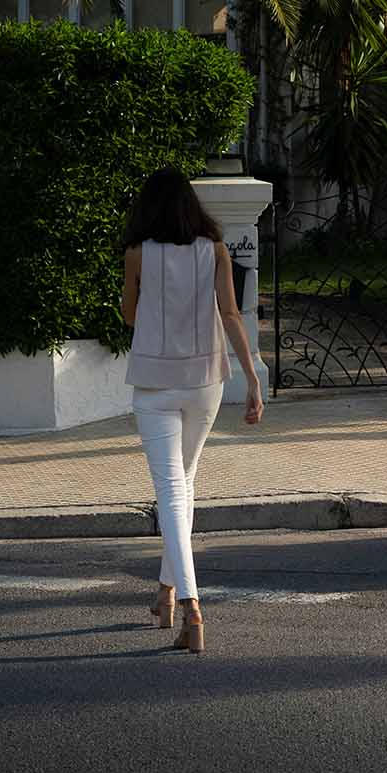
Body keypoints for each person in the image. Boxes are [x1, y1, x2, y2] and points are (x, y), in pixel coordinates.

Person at [120, 167, 264, 654]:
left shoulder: (138, 253)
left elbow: (129, 314)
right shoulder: (215, 249)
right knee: (183, 486)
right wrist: (252, 381)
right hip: (206, 382)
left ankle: (192, 606)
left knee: (171, 492)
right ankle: (163, 595)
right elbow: (231, 314)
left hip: (155, 382)